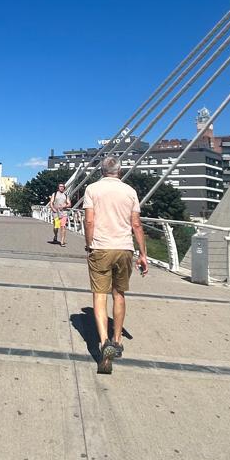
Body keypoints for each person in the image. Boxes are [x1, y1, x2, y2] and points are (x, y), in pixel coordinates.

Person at [82, 156, 148, 364]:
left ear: (101, 171)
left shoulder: (92, 189)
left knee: (99, 296)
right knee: (119, 294)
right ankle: (117, 339)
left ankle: (104, 343)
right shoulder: (130, 192)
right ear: (119, 171)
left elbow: (89, 220)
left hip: (101, 247)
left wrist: (89, 243)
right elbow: (136, 225)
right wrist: (143, 254)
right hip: (124, 249)